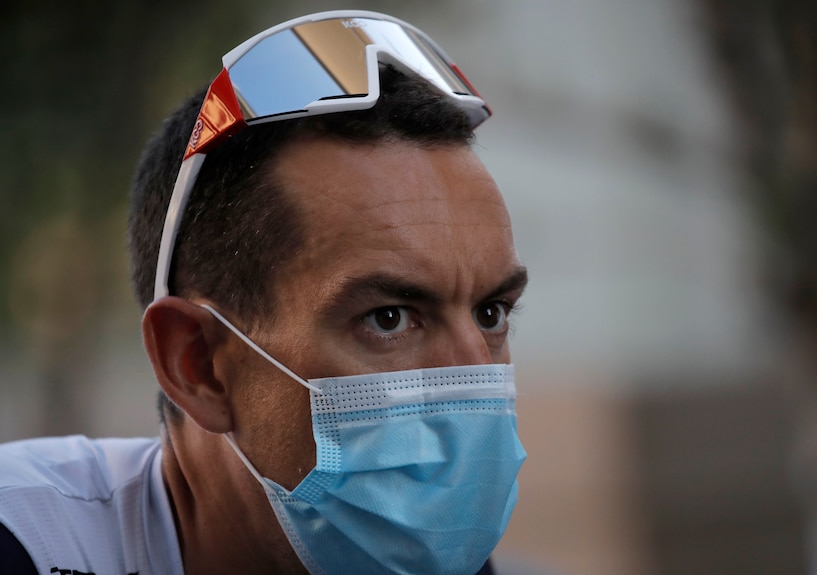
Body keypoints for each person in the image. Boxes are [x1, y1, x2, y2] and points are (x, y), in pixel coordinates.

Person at [0, 10, 527, 575]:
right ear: (196, 363)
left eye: (490, 313)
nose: (474, 380)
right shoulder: (29, 542)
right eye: (389, 318)